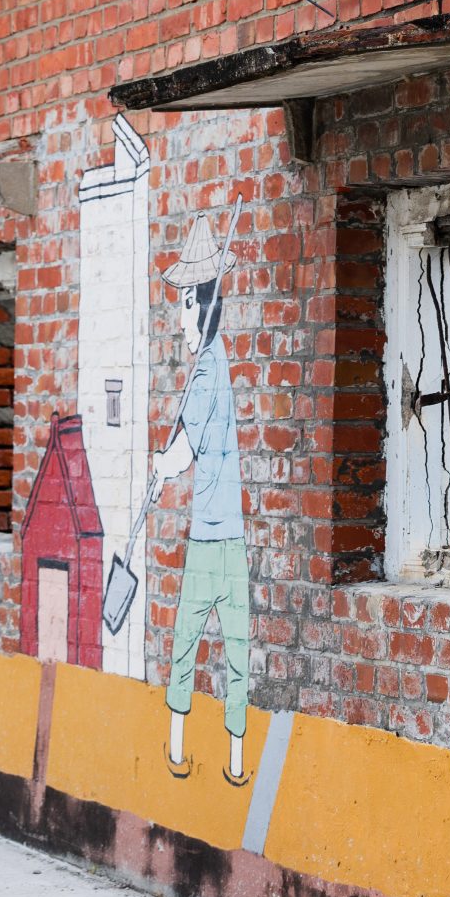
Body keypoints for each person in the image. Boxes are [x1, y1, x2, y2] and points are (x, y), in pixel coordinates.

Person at [156, 217, 251, 785]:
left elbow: (192, 448)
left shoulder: (208, 372)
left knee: (188, 647)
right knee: (231, 651)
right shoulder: (209, 368)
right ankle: (229, 761)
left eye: (186, 302)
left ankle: (178, 750)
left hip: (213, 538)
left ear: (205, 304)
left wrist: (160, 466)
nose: (181, 315)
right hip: (228, 537)